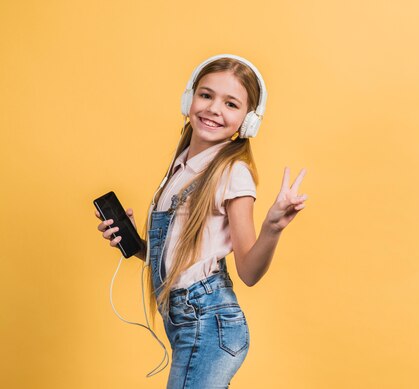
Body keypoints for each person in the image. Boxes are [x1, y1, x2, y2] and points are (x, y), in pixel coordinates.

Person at [94, 54, 307, 388]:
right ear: (188, 99)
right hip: (187, 322)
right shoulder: (181, 167)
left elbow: (249, 272)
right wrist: (134, 243)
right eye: (206, 95)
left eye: (231, 104)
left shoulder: (232, 173)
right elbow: (181, 258)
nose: (214, 109)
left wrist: (273, 227)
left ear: (248, 121)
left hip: (208, 322)